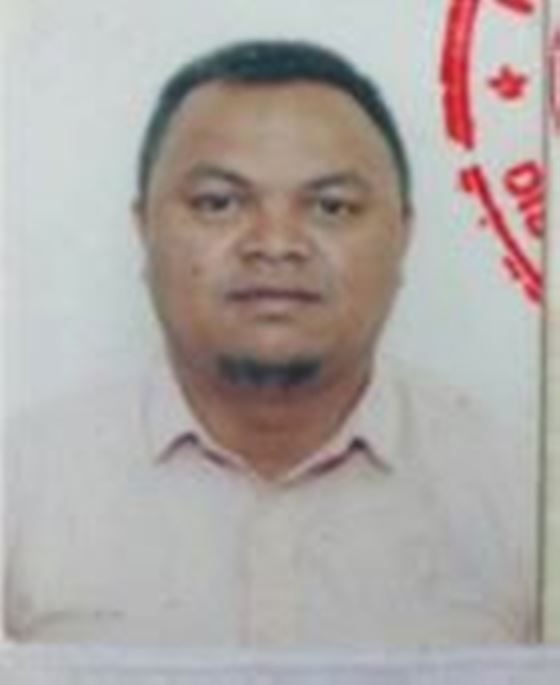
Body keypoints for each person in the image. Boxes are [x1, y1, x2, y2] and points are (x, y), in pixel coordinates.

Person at [4, 40, 537, 647]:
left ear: (403, 236)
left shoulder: (522, 497)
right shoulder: (21, 485)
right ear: (144, 229)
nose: (276, 244)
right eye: (218, 204)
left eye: (332, 207)